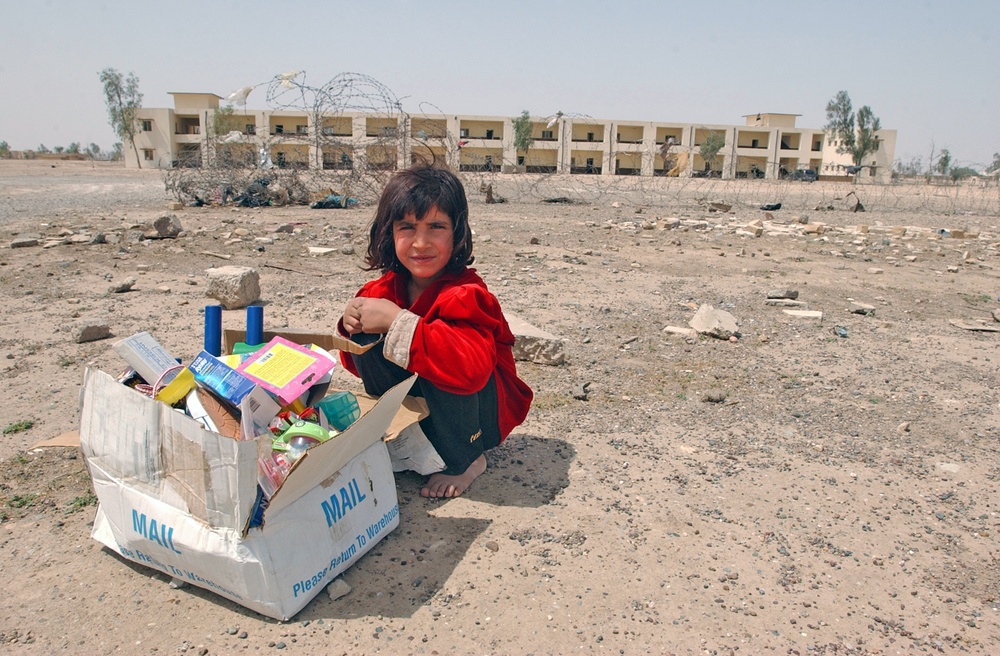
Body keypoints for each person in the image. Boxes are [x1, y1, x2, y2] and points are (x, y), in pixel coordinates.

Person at [338, 163, 533, 498]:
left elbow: (470, 372)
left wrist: (398, 322)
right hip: (428, 402)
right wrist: (352, 324)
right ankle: (412, 435)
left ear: (457, 235)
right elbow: (356, 364)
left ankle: (467, 460)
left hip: (480, 411)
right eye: (408, 227)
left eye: (436, 226)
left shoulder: (468, 295)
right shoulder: (383, 290)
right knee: (368, 333)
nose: (421, 242)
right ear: (389, 232)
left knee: (449, 350)